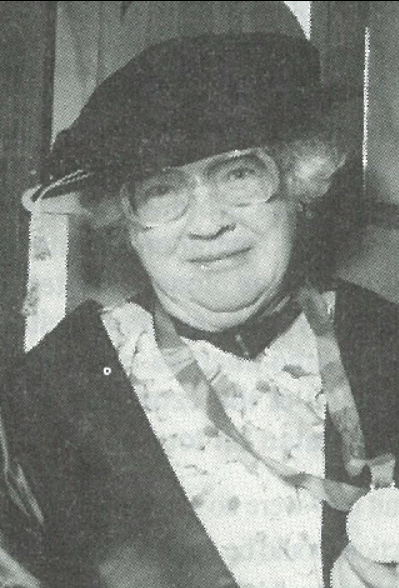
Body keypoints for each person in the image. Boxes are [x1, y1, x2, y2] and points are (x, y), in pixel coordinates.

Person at [2, 32, 399, 588]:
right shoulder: (45, 396)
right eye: (161, 192)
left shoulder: (387, 342)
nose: (209, 223)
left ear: (296, 182)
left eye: (239, 174)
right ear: (125, 225)